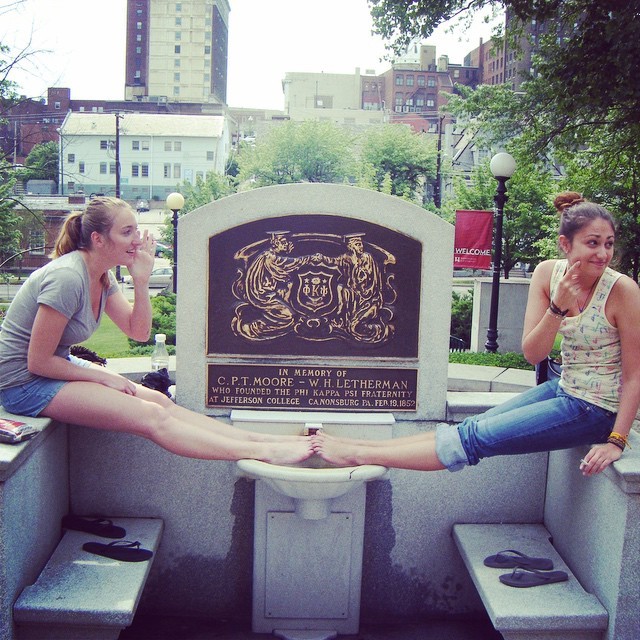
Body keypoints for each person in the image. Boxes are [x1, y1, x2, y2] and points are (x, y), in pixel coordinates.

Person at [312, 193, 640, 477]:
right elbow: (533, 354)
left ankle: (357, 455)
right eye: (592, 243)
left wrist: (616, 441)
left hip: (597, 411)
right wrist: (557, 307)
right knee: (472, 427)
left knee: (475, 439)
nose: (602, 254)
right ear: (566, 244)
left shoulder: (622, 291)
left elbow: (634, 375)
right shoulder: (547, 274)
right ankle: (363, 446)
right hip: (564, 389)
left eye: (608, 244)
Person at [0, 197, 313, 464]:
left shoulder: (102, 276)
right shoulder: (68, 278)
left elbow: (137, 332)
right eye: (126, 232)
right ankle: (263, 453)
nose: (137, 240)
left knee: (161, 402)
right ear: (98, 239)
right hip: (23, 384)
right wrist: (102, 376)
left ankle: (259, 440)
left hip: (54, 369)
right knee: (152, 416)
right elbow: (38, 362)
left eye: (136, 230)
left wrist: (141, 281)